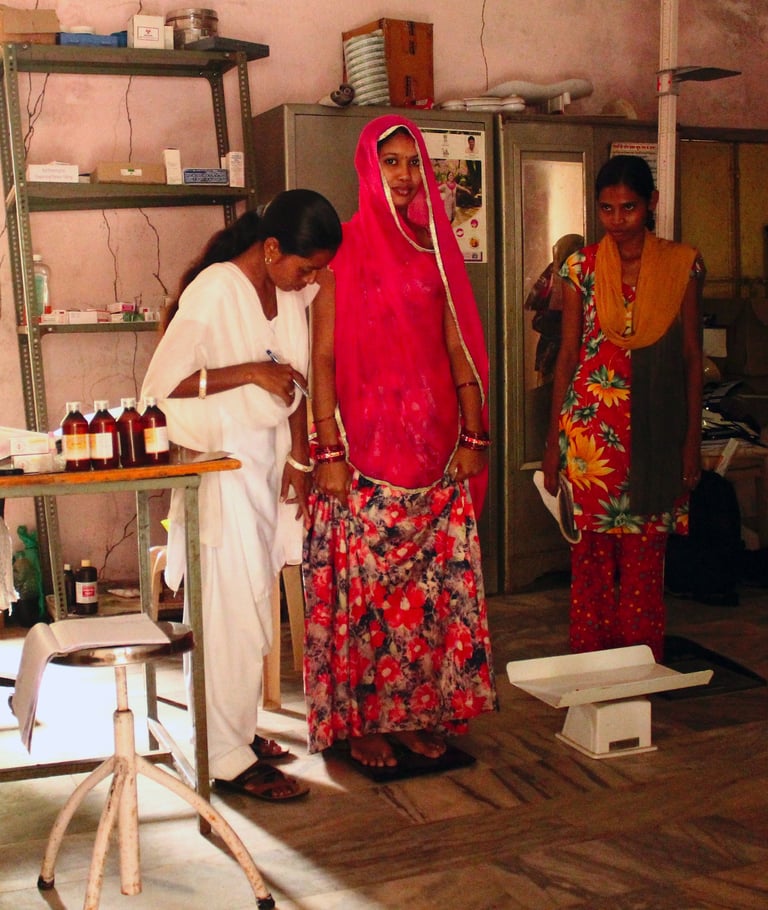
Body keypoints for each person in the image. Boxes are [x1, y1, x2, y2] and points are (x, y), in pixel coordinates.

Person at [303, 114, 498, 770]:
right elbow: (322, 356)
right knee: (366, 601)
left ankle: (417, 716)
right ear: (368, 166)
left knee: (428, 600)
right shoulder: (341, 250)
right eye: (391, 161)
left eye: (414, 162)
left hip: (436, 454)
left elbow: (457, 344)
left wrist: (474, 433)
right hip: (362, 458)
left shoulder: (434, 248)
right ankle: (362, 724)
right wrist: (328, 451)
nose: (405, 175)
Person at [141, 190, 342, 799]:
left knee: (254, 607)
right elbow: (161, 384)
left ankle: (239, 730)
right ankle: (223, 755)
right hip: (221, 469)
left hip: (267, 465)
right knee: (226, 611)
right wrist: (251, 371)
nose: (310, 280)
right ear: (272, 247)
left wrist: (301, 456)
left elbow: (297, 379)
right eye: (305, 267)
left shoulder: (288, 292)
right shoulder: (215, 290)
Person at [542, 155, 705, 661]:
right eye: (607, 209)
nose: (617, 220)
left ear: (651, 203)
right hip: (591, 434)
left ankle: (638, 667)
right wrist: (552, 443)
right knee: (590, 562)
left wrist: (691, 442)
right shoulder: (581, 267)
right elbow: (568, 355)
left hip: (656, 435)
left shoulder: (682, 266)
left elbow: (692, 356)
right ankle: (593, 668)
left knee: (643, 564)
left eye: (629, 207)